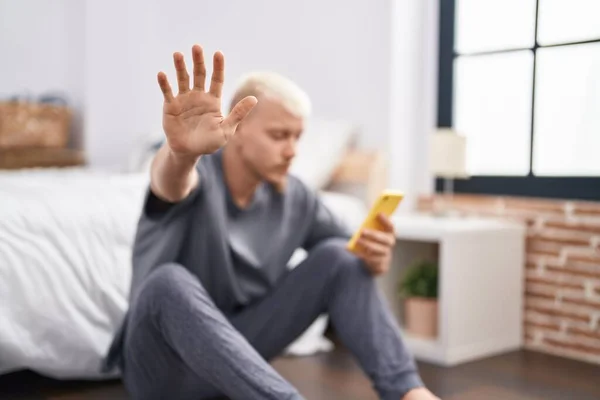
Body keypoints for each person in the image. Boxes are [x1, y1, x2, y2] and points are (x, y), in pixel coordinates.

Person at [102, 44, 440, 400]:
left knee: (342, 256)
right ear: (239, 129)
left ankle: (409, 392)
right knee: (166, 283)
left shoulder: (297, 198)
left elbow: (347, 266)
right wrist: (180, 154)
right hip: (162, 371)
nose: (292, 150)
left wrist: (374, 256)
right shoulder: (198, 173)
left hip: (235, 359)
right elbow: (169, 184)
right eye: (279, 135)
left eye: (297, 137)